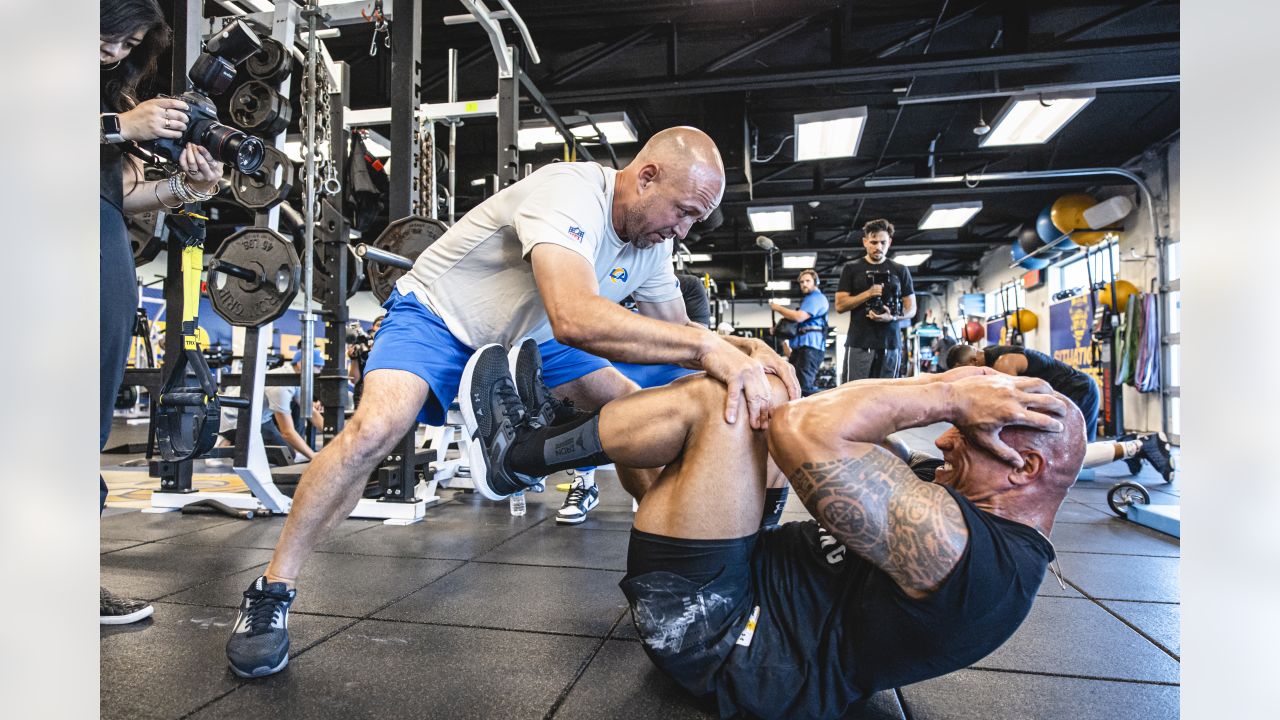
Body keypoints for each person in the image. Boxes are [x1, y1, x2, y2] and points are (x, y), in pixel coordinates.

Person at [225, 127, 800, 678]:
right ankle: (272, 589)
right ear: (645, 177)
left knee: (643, 424)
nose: (684, 230)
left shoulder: (651, 247)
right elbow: (576, 316)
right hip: (441, 317)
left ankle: (677, 580)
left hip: (535, 340)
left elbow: (678, 336)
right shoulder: (571, 191)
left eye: (695, 220)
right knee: (374, 431)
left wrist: (742, 348)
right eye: (684, 211)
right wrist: (708, 346)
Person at [463, 342, 1080, 719]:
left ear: (1024, 469)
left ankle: (517, 456)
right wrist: (955, 391)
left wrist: (949, 392)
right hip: (747, 575)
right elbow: (834, 420)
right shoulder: (972, 507)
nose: (946, 436)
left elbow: (809, 431)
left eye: (967, 434)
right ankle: (562, 426)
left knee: (719, 402)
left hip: (717, 634)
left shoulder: (974, 559)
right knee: (767, 388)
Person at [99, 0, 224, 626]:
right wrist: (121, 125)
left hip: (99, 243)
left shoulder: (108, 95)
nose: (119, 52)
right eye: (115, 36)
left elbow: (123, 196)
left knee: (86, 416)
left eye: (131, 45)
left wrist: (189, 188)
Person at [945, 343, 1174, 480]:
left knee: (1071, 455)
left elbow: (1012, 406)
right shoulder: (991, 359)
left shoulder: (1003, 364)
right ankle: (1130, 443)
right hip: (1063, 394)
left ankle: (1141, 446)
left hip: (1077, 390)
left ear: (974, 359)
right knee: (1064, 450)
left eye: (966, 371)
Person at [835, 219, 916, 382]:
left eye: (883, 242)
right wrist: (868, 294)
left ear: (890, 242)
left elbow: (911, 308)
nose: (878, 247)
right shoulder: (851, 268)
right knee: (854, 393)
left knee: (888, 396)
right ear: (865, 242)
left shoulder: (900, 270)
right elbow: (840, 305)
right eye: (873, 242)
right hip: (859, 341)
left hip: (890, 342)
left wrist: (892, 317)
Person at [770, 269, 829, 396]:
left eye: (808, 281)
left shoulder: (816, 298)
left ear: (816, 282)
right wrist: (778, 330)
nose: (804, 284)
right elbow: (796, 325)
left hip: (811, 349)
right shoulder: (808, 300)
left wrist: (778, 308)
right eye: (802, 282)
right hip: (801, 349)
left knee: (803, 386)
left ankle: (826, 403)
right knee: (791, 383)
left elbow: (799, 317)